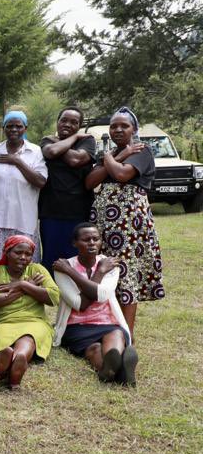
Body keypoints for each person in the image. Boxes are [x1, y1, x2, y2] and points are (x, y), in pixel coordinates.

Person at [85, 107, 164, 335]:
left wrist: (108, 157)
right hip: (105, 224)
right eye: (114, 126)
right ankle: (106, 329)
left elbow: (121, 175)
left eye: (124, 126)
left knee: (125, 273)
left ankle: (126, 338)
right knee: (105, 269)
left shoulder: (141, 151)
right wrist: (117, 156)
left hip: (128, 223)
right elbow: (90, 182)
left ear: (134, 130)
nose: (118, 129)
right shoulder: (118, 152)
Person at [52, 223, 137, 386]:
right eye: (86, 240)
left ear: (100, 242)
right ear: (74, 243)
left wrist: (81, 272)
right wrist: (94, 272)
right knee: (94, 349)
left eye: (95, 239)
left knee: (116, 334)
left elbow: (103, 295)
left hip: (107, 322)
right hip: (76, 326)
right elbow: (80, 304)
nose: (92, 243)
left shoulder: (110, 264)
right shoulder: (62, 267)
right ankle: (121, 374)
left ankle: (109, 369)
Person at [0, 235, 59, 390]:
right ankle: (11, 367)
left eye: (28, 254)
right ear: (6, 252)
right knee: (3, 335)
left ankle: (11, 364)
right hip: (3, 321)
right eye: (18, 252)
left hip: (34, 320)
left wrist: (22, 284)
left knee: (30, 336)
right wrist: (26, 289)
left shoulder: (37, 269)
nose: (23, 257)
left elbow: (54, 297)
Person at [0, 110, 47, 265]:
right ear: (3, 128)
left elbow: (40, 181)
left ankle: (24, 290)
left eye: (18, 126)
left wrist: (17, 162)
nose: (14, 130)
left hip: (23, 219)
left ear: (25, 128)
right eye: (9, 126)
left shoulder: (35, 151)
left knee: (23, 263)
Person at [39, 107, 96, 270]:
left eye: (74, 122)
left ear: (79, 126)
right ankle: (51, 294)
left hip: (79, 211)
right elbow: (51, 152)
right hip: (51, 211)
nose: (67, 124)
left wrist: (70, 139)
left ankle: (77, 294)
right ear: (57, 122)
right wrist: (72, 138)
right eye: (64, 120)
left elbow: (76, 160)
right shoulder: (46, 141)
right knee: (51, 258)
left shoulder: (87, 141)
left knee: (76, 258)